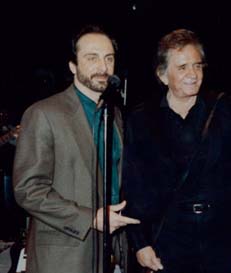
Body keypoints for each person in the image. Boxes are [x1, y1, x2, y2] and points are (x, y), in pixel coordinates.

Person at [123, 28, 231, 273]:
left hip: (221, 240)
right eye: (182, 67)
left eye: (197, 66)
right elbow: (133, 186)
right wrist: (140, 243)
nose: (193, 74)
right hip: (167, 241)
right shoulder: (142, 120)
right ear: (162, 75)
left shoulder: (228, 110)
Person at [12, 24, 140, 273]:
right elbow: (28, 190)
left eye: (109, 58)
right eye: (91, 58)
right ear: (72, 66)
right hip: (63, 255)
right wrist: (90, 218)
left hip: (110, 250)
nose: (103, 67)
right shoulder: (43, 113)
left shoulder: (114, 115)